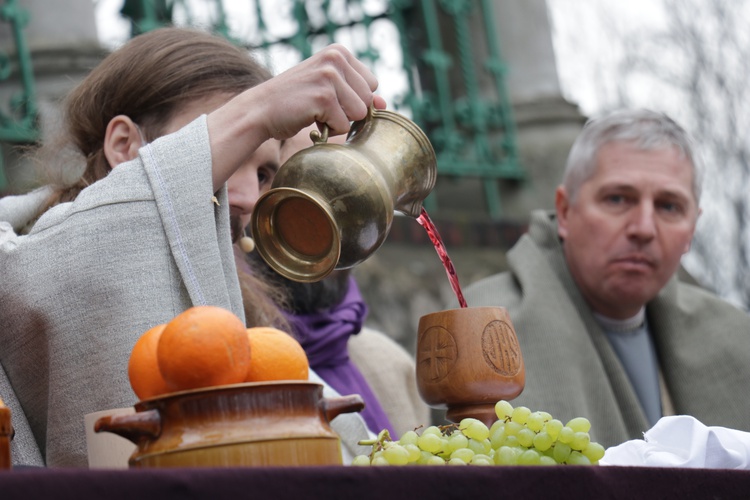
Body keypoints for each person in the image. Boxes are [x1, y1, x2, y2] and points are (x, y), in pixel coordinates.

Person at [0, 27, 385, 467]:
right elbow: (69, 266)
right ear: (124, 145)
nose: (246, 197)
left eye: (263, 174)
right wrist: (258, 108)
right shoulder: (22, 262)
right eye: (226, 150)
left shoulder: (250, 330)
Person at [462, 109, 750, 448]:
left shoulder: (735, 336)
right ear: (566, 212)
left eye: (669, 206)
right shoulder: (479, 326)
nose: (643, 228)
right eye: (617, 199)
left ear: (693, 227)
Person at [239, 125, 431, 438]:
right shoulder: (220, 361)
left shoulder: (392, 366)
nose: (335, 216)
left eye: (354, 186)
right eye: (312, 176)